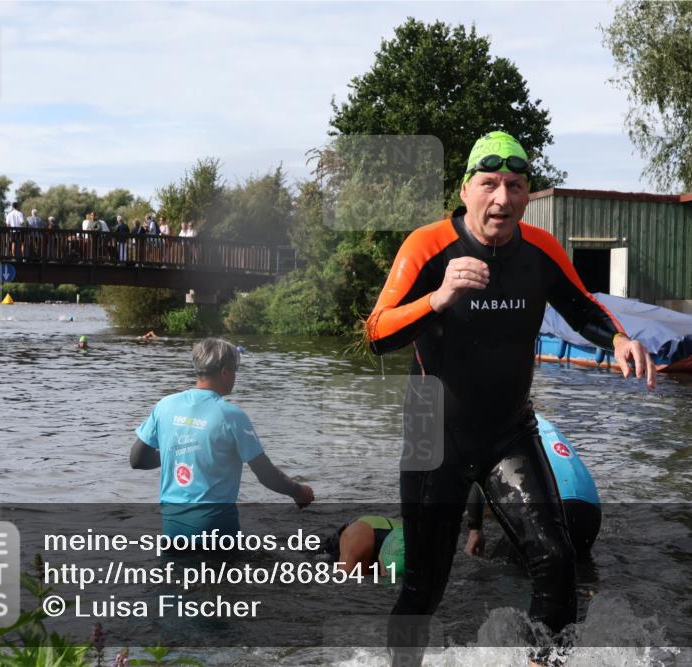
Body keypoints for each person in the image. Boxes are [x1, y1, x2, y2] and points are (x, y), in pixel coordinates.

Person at [365, 131, 656, 664]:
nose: (502, 198)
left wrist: (617, 338)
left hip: (508, 429)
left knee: (557, 560)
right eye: (489, 184)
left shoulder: (540, 250)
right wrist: (439, 297)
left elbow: (581, 306)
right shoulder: (428, 247)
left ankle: (541, 662)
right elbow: (377, 332)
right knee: (425, 584)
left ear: (526, 194)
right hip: (435, 433)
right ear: (466, 189)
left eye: (515, 186)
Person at [129, 338, 314, 541]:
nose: (235, 377)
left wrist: (180, 451)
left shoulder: (165, 405)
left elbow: (137, 460)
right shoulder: (231, 416)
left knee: (176, 574)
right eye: (235, 370)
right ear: (225, 372)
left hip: (173, 530)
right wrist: (298, 491)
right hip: (215, 530)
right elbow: (265, 474)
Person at [323, 516, 405, 577]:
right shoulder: (357, 547)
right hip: (356, 534)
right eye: (387, 574)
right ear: (380, 558)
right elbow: (343, 587)